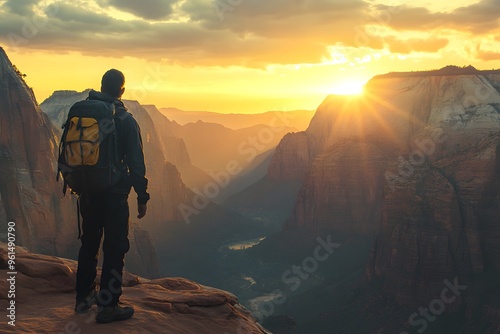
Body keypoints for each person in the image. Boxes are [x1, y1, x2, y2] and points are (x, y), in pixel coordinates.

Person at [74, 69, 150, 324]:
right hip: (114, 195)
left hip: (87, 190)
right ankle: (108, 306)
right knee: (115, 247)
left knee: (89, 243)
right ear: (121, 90)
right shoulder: (125, 119)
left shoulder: (84, 111)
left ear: (101, 85)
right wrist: (142, 196)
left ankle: (83, 300)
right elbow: (137, 164)